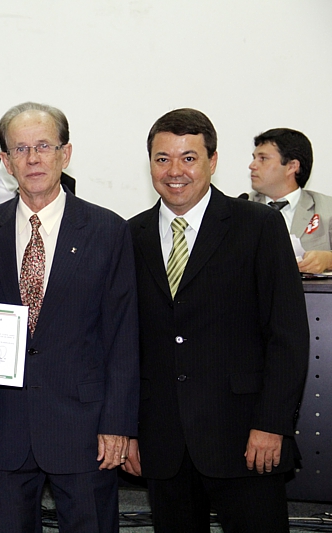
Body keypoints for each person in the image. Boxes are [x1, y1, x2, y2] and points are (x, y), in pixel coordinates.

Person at [125, 109, 309, 532]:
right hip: (164, 442)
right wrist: (128, 429)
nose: (175, 171)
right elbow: (125, 343)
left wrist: (271, 424)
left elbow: (288, 336)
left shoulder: (259, 226)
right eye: (162, 158)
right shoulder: (129, 235)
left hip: (246, 437)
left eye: (189, 158)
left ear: (213, 160)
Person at [0, 101, 139, 533]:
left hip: (84, 429)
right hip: (2, 428)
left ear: (66, 153)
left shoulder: (107, 230)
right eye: (20, 149)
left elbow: (122, 337)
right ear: (6, 161)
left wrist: (118, 425)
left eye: (44, 146)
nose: (33, 158)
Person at [246, 127, 332, 273]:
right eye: (254, 158)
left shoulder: (327, 209)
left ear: (292, 166)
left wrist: (329, 260)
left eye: (263, 159)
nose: (252, 165)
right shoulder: (241, 208)